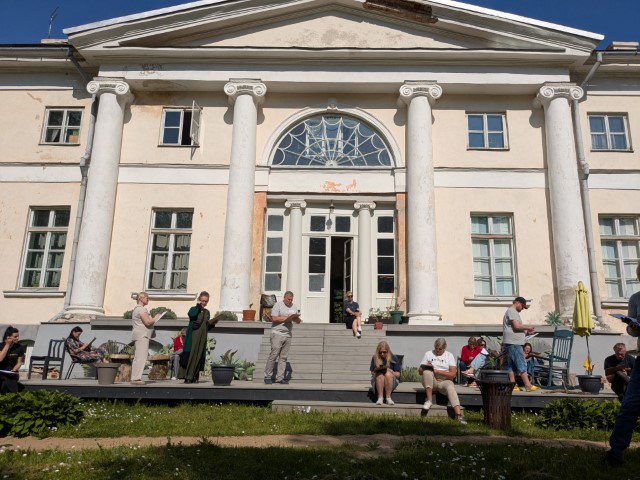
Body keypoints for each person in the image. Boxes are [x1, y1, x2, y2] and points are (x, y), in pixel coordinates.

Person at [605, 262, 640, 467]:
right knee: (629, 404)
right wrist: (632, 325)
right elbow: (632, 332)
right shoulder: (636, 298)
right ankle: (615, 452)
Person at [419, 337, 467, 424]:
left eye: (440, 349)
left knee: (450, 387)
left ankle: (458, 414)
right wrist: (426, 367)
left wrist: (437, 371)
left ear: (444, 348)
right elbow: (420, 372)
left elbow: (453, 374)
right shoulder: (428, 354)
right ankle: (429, 401)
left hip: (444, 380)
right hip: (432, 380)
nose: (437, 350)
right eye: (436, 348)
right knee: (427, 372)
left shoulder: (449, 355)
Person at [180, 291, 219, 384]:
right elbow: (192, 315)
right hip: (193, 336)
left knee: (199, 355)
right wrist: (198, 306)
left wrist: (212, 323)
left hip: (202, 337)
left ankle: (194, 376)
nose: (204, 303)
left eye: (206, 301)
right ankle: (188, 377)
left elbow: (206, 326)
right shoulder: (193, 309)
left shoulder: (207, 312)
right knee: (192, 355)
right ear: (199, 300)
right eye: (202, 301)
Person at [264, 291, 301, 385]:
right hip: (277, 333)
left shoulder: (294, 306)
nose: (290, 301)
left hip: (288, 334)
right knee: (274, 355)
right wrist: (286, 318)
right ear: (284, 298)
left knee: (283, 357)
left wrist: (297, 318)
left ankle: (280, 378)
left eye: (291, 299)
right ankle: (267, 376)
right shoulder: (278, 305)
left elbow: (297, 321)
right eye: (288, 299)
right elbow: (274, 318)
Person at [502, 296, 538, 392]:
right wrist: (528, 328)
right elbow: (517, 326)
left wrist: (526, 332)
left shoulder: (510, 311)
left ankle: (513, 385)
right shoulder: (512, 311)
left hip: (510, 342)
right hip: (514, 343)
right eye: (522, 306)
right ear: (517, 303)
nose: (522, 309)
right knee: (521, 363)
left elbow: (514, 328)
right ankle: (528, 385)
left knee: (511, 365)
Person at [130, 292, 162, 385]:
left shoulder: (137, 309)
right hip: (142, 335)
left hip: (139, 335)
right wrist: (156, 317)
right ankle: (136, 379)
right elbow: (147, 322)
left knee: (138, 357)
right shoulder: (141, 309)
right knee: (141, 357)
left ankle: (135, 378)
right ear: (140, 298)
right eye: (146, 298)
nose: (148, 299)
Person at [370, 341, 401, 405]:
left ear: (388, 351)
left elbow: (398, 375)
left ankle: (388, 398)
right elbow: (372, 372)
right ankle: (380, 397)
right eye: (380, 352)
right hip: (378, 379)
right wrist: (377, 371)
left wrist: (390, 371)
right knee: (380, 375)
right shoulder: (375, 358)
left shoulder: (393, 358)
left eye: (384, 352)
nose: (382, 354)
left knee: (388, 374)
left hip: (391, 379)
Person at [0, 326, 25, 394]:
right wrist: (7, 345)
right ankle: (13, 393)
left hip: (11, 372)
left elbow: (19, 362)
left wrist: (14, 369)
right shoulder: (1, 346)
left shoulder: (20, 347)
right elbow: (0, 359)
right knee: (5, 380)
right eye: (15, 336)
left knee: (8, 379)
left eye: (18, 336)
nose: (17, 338)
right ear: (8, 337)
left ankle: (9, 395)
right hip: (1, 371)